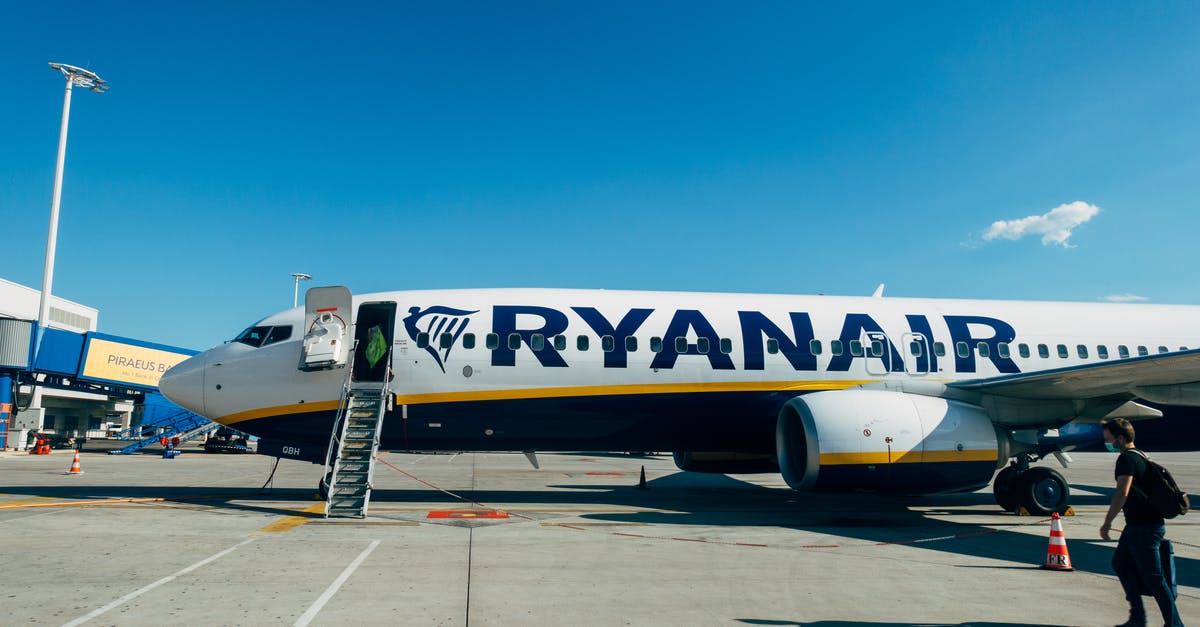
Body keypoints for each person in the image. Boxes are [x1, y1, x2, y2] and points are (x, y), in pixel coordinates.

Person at [1100, 418, 1184, 627]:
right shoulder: (1140, 456)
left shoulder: (1127, 459)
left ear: (1120, 438)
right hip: (1138, 526)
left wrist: (1107, 522)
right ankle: (1137, 617)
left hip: (1145, 527)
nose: (1107, 443)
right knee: (1120, 563)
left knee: (1155, 578)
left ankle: (1174, 624)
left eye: (1109, 439)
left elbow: (1122, 492)